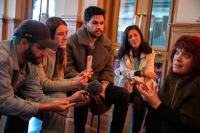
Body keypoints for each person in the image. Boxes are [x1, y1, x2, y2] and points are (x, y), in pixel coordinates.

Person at [0, 19, 89, 133]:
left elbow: (36, 97)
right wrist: (48, 106)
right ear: (24, 43)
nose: (45, 53)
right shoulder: (2, 59)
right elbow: (5, 103)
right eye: (41, 48)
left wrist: (69, 100)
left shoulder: (30, 62)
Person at [65, 6, 130, 133]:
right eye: (95, 23)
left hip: (100, 84)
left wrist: (103, 87)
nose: (99, 27)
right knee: (83, 94)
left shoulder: (107, 45)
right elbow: (68, 69)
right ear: (85, 24)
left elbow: (108, 70)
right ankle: (79, 131)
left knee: (124, 94)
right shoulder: (72, 41)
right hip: (77, 82)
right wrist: (87, 86)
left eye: (101, 23)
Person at [36, 17, 92, 133]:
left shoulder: (61, 52)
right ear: (50, 35)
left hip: (49, 90)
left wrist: (77, 81)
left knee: (65, 95)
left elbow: (57, 79)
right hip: (35, 91)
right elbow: (43, 84)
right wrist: (72, 84)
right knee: (60, 97)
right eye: (60, 34)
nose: (65, 37)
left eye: (66, 33)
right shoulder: (41, 51)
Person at [136, 35, 200, 133]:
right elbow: (161, 109)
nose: (177, 58)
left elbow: (187, 126)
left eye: (186, 55)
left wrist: (155, 102)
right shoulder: (172, 76)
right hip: (166, 126)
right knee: (148, 112)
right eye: (177, 52)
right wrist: (149, 97)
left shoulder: (196, 83)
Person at [115, 25, 158, 133]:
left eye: (135, 35)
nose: (133, 38)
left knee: (139, 100)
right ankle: (154, 106)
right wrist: (142, 73)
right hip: (126, 87)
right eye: (130, 37)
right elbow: (124, 73)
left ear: (140, 36)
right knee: (136, 89)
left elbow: (150, 76)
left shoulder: (149, 51)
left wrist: (134, 80)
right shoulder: (123, 51)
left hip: (142, 86)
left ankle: (134, 131)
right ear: (127, 39)